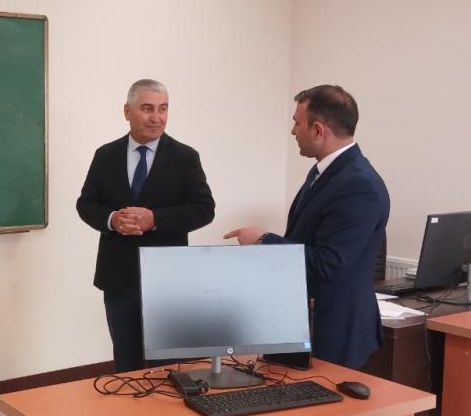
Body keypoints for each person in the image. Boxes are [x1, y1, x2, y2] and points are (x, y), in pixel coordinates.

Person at [224, 84, 390, 368]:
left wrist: (264, 240)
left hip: (333, 331)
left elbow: (327, 263)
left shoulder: (358, 185)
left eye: (296, 123)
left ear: (318, 130)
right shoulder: (326, 172)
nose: (293, 132)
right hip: (303, 321)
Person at [76, 79, 216, 373]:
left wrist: (155, 220)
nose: (157, 117)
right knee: (126, 361)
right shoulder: (106, 155)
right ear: (127, 111)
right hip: (118, 277)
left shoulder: (185, 157)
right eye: (148, 108)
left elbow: (204, 210)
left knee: (168, 365)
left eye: (163, 109)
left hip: (168, 279)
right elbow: (86, 204)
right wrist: (112, 220)